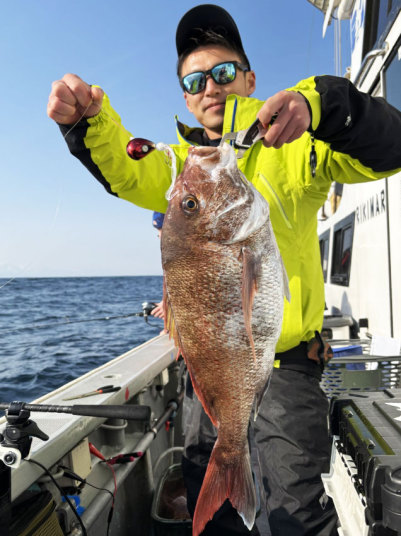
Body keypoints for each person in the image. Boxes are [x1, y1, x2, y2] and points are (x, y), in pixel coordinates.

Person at [47, 5, 401, 535]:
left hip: (287, 367)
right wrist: (89, 122)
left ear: (249, 79)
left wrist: (320, 104)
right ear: (185, 97)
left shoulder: (300, 144)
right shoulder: (182, 166)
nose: (210, 87)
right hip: (211, 377)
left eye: (223, 72)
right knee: (215, 517)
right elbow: (126, 168)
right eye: (195, 80)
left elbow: (391, 148)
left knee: (296, 518)